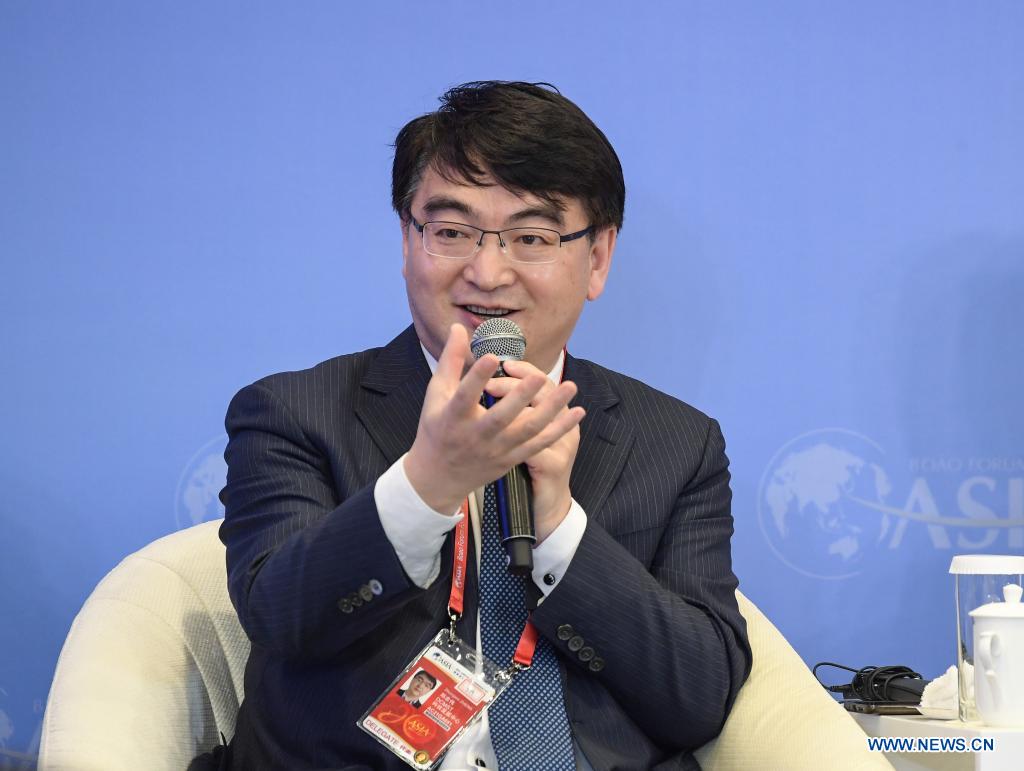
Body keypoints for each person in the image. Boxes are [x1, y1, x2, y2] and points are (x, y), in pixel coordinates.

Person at [214, 81, 751, 770]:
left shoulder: (678, 443)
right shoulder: (294, 412)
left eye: (531, 237)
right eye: (452, 232)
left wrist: (559, 526)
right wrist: (428, 484)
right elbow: (280, 617)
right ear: (407, 241)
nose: (488, 271)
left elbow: (700, 697)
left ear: (597, 258)